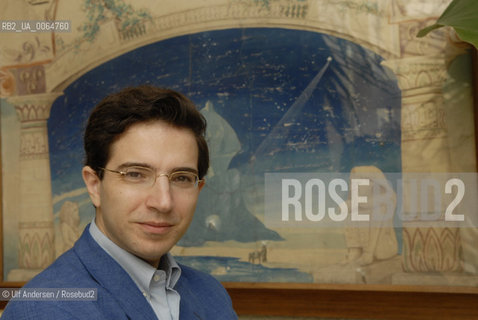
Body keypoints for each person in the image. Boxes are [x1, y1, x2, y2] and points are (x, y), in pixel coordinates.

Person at [2, 86, 238, 319]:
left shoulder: (211, 294)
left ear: (199, 189)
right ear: (94, 185)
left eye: (182, 178)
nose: (163, 202)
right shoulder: (43, 310)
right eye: (135, 174)